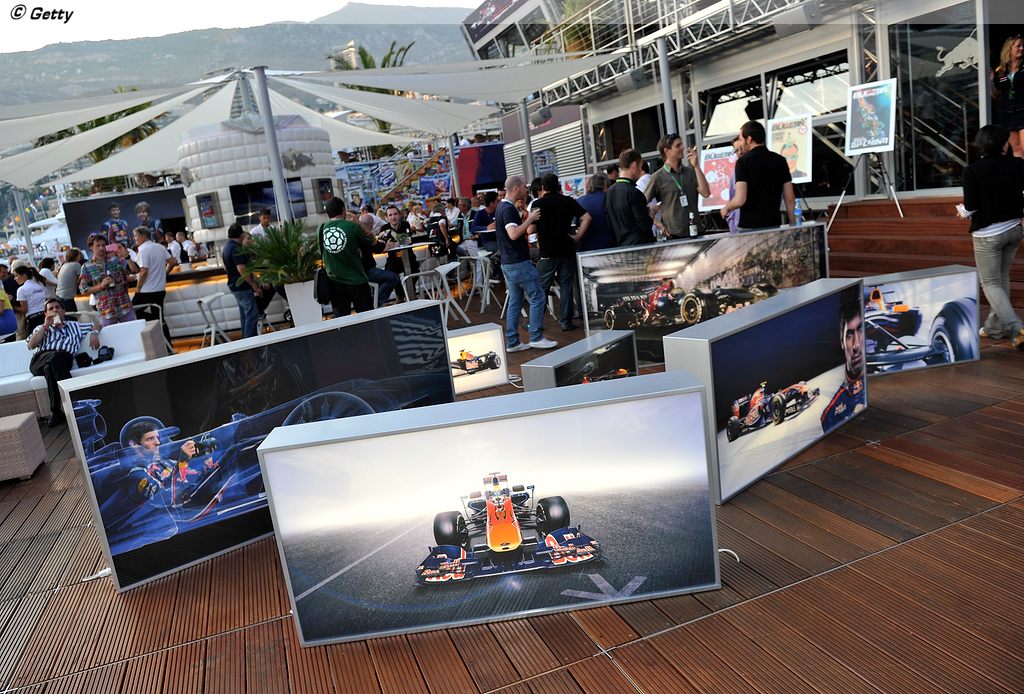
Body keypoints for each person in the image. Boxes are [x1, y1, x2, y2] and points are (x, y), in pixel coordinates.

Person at [960, 124, 1024, 346]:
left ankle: (1016, 328)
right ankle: (994, 328)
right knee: (1002, 277)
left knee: (990, 282)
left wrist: (962, 211)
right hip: (1014, 230)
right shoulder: (1018, 165)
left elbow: (971, 207)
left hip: (988, 234)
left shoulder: (972, 171)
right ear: (1002, 144)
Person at [496, 175, 555, 352]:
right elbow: (514, 234)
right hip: (518, 262)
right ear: (516, 188)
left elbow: (511, 233)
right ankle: (535, 337)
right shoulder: (508, 209)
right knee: (538, 296)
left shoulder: (502, 207)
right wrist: (530, 219)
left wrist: (523, 218)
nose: (526, 189)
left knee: (515, 301)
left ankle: (513, 341)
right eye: (523, 187)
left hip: (508, 262)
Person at [26, 298, 101, 426]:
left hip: (64, 359)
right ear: (46, 313)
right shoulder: (41, 328)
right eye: (50, 309)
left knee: (50, 367)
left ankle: (56, 412)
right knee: (53, 360)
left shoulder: (75, 326)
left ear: (63, 311)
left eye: (57, 307)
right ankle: (75, 405)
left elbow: (97, 324)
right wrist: (45, 326)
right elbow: (31, 345)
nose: (54, 310)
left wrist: (94, 333)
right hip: (40, 359)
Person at [534, 173, 591, 331]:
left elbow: (531, 229)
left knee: (541, 289)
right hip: (567, 249)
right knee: (566, 287)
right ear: (558, 186)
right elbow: (587, 217)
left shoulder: (538, 204)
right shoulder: (568, 201)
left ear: (543, 187)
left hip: (547, 252)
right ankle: (566, 322)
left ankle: (536, 323)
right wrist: (578, 236)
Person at [720, 121, 795, 230]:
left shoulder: (743, 162)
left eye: (741, 139)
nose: (740, 143)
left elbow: (740, 199)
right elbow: (790, 198)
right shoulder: (780, 160)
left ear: (749, 139)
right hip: (774, 225)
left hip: (749, 228)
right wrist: (793, 224)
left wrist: (726, 208)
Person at [123, 420, 214, 505]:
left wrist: (207, 461)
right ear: (134, 444)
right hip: (178, 515)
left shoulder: (169, 463)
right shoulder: (136, 475)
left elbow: (199, 481)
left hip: (201, 509)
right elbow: (166, 500)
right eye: (150, 439)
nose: (158, 442)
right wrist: (183, 462)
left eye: (157, 438)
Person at [646, 134, 711, 238]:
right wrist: (659, 225)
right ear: (667, 151)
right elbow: (641, 204)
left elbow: (706, 193)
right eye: (678, 146)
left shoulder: (690, 172)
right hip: (674, 235)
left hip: (696, 231)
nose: (682, 148)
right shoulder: (658, 177)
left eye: (682, 144)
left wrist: (696, 166)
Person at [319, 197, 374, 316]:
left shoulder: (321, 229)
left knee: (342, 321)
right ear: (344, 210)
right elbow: (371, 241)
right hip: (357, 279)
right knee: (368, 318)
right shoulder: (352, 227)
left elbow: (321, 253)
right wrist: (358, 222)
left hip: (334, 282)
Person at [821, 287, 866, 431]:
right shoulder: (829, 417)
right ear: (842, 341)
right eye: (849, 335)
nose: (856, 344)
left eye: (861, 329)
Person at [79, 234, 138, 326]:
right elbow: (83, 289)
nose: (101, 248)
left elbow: (135, 271)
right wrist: (101, 286)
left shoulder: (116, 260)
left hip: (124, 307)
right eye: (98, 245)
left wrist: (127, 257)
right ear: (91, 247)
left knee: (132, 332)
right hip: (106, 311)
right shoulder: (87, 267)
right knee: (110, 335)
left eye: (103, 245)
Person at [131, 226, 174, 347]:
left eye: (135, 236)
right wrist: (165, 272)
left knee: (133, 314)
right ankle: (167, 347)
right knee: (159, 318)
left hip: (146, 292)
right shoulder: (160, 247)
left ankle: (151, 344)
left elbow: (144, 271)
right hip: (160, 290)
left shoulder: (143, 250)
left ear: (143, 236)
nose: (134, 238)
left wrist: (138, 287)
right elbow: (172, 262)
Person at [606, 149, 656, 246]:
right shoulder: (635, 193)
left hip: (620, 246)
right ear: (634, 165)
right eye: (640, 166)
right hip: (639, 246)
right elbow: (645, 225)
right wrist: (652, 212)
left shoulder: (609, 193)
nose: (641, 170)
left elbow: (609, 222)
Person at [222, 224, 261, 338]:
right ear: (241, 234)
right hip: (242, 286)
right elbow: (242, 269)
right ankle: (250, 342)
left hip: (234, 286)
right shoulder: (236, 249)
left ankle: (245, 341)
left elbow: (226, 267)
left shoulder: (227, 246)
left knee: (245, 315)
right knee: (252, 315)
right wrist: (254, 286)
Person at [990, 35, 1024, 158]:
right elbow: (996, 95)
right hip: (1006, 113)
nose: (1022, 48)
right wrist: (991, 81)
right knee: (1016, 147)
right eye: (1018, 46)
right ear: (1009, 48)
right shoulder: (1000, 70)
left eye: (1023, 45)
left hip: (1022, 110)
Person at [358, 213, 400, 307]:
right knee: (393, 278)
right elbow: (378, 249)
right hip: (366, 271)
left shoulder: (358, 234)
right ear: (371, 225)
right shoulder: (366, 235)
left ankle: (375, 303)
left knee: (386, 274)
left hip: (359, 271)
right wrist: (386, 246)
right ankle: (375, 304)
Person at [377, 205, 419, 283]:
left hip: (409, 257)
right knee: (390, 277)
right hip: (393, 258)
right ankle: (400, 291)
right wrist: (398, 242)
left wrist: (391, 233)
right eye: (390, 215)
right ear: (386, 217)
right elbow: (380, 247)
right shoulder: (384, 228)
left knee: (414, 272)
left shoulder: (405, 224)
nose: (393, 217)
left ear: (399, 215)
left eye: (395, 214)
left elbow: (407, 241)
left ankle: (410, 290)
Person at [576, 173, 616, 252]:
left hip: (586, 250)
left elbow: (577, 225)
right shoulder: (610, 199)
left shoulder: (579, 201)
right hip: (609, 247)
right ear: (605, 185)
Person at [13, 265, 48, 335]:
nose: (15, 278)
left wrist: (13, 307)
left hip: (33, 319)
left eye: (16, 276)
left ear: (24, 275)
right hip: (45, 315)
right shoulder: (41, 286)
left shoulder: (21, 290)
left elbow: (24, 309)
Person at [725, 135, 745, 233]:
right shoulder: (735, 173)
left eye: (741, 148)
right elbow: (732, 197)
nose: (740, 152)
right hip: (737, 225)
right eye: (736, 150)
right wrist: (731, 221)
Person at [55, 249, 83, 313]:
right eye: (79, 255)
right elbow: (80, 280)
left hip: (58, 295)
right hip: (68, 297)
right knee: (73, 316)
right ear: (76, 256)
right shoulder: (76, 264)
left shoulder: (64, 265)